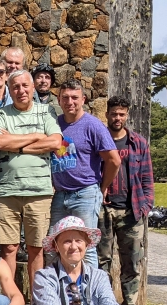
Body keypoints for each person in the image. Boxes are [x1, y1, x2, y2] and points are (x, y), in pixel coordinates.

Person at [0, 70, 62, 288]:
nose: (20, 90)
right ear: (9, 90)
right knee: (8, 248)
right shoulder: (0, 115)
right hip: (7, 191)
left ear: (32, 88)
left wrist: (17, 144)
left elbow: (55, 143)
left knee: (36, 248)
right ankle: (10, 298)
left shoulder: (45, 112)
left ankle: (37, 301)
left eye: (24, 86)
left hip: (39, 191)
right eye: (15, 87)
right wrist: (36, 136)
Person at [51, 80, 120, 268]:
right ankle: (59, 291)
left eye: (74, 97)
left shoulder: (93, 125)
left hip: (85, 193)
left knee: (86, 246)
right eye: (65, 97)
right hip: (60, 194)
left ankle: (89, 295)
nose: (70, 102)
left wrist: (102, 187)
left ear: (83, 99)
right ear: (59, 99)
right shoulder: (54, 124)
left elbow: (114, 160)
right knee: (54, 244)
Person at [98, 96, 154, 305]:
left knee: (131, 260)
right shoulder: (99, 140)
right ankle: (105, 303)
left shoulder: (138, 143)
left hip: (132, 210)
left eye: (121, 114)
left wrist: (146, 205)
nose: (117, 118)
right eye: (114, 114)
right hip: (103, 210)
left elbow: (147, 178)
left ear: (127, 115)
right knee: (102, 261)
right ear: (107, 114)